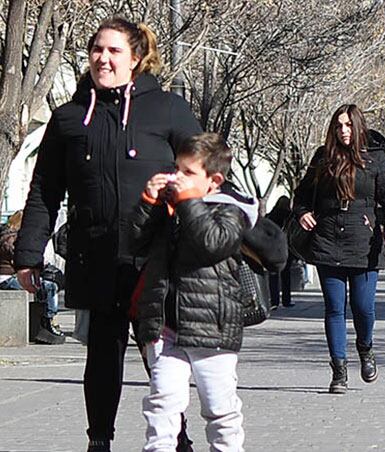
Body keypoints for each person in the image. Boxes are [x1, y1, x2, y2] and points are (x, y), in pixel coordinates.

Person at [12, 18, 202, 451]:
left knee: (160, 357)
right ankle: (99, 440)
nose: (103, 58)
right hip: (95, 255)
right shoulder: (69, 118)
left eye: (115, 51)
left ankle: (179, 438)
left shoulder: (168, 109)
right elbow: (44, 189)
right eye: (98, 50)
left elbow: (203, 171)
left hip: (154, 257)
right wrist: (28, 254)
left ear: (136, 58)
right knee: (102, 355)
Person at [132, 133, 257, 451]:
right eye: (176, 169)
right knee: (161, 406)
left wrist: (188, 202)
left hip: (210, 329)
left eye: (188, 172)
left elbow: (212, 243)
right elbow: (134, 244)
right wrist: (149, 202)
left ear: (213, 181)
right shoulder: (168, 208)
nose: (177, 178)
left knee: (220, 411)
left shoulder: (231, 211)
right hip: (166, 327)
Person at [293, 104, 385, 394]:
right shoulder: (323, 157)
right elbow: (301, 194)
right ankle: (338, 370)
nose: (343, 131)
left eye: (349, 125)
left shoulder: (375, 158)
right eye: (339, 125)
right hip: (328, 239)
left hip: (363, 242)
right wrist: (302, 211)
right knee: (334, 309)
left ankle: (365, 348)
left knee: (364, 308)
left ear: (358, 127)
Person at [0, 211, 64, 344]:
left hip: (8, 276)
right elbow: (18, 257)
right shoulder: (11, 238)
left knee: (44, 287)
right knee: (47, 286)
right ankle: (48, 321)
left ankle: (43, 322)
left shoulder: (6, 235)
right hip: (6, 278)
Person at [266, 195, 295, 308]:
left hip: (272, 249)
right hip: (286, 248)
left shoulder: (270, 216)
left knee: (273, 275)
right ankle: (286, 300)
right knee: (286, 275)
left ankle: (274, 301)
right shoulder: (289, 216)